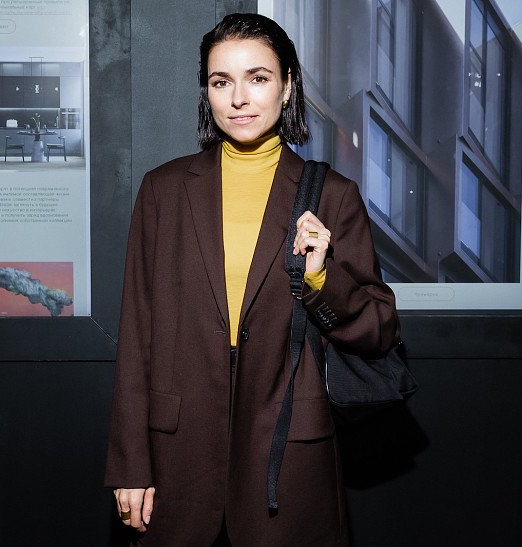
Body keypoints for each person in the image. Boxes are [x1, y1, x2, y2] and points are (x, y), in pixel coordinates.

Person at [104, 12, 399, 546]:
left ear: (287, 86)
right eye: (222, 82)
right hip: (178, 456)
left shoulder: (332, 195)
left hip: (288, 458)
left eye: (258, 78)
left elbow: (380, 328)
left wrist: (320, 280)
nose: (239, 98)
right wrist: (131, 464)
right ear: (207, 92)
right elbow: (136, 336)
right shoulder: (163, 190)